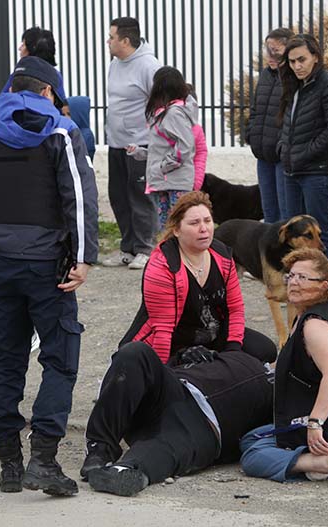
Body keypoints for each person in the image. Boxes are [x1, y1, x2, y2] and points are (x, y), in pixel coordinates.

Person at [0, 56, 98, 496]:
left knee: (7, 360)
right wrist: (84, 258)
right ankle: (44, 460)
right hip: (49, 268)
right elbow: (79, 197)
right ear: (49, 92)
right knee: (60, 357)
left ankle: (9, 465)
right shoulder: (59, 131)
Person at [240, 248, 328, 484]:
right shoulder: (305, 314)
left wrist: (315, 423)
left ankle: (322, 462)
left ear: (323, 286)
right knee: (250, 437)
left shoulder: (315, 325)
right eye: (291, 276)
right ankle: (310, 461)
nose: (294, 283)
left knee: (252, 455)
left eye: (303, 277)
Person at [80, 340, 275, 497]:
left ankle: (126, 470)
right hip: (175, 389)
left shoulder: (288, 396)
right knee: (134, 352)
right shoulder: (243, 352)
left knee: (168, 445)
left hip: (206, 424)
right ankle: (99, 449)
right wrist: (183, 355)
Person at [120, 191, 279, 365]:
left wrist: (233, 352)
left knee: (265, 350)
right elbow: (162, 330)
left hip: (209, 333)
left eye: (207, 221)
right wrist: (165, 370)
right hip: (173, 341)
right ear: (177, 230)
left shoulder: (222, 255)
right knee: (174, 367)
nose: (203, 229)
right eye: (194, 223)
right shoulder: (163, 265)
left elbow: (235, 309)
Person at [277, 34, 328, 265]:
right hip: (291, 171)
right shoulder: (295, 86)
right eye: (292, 61)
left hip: (317, 172)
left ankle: (327, 291)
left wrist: (303, 153)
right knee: (294, 234)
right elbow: (289, 124)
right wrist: (283, 148)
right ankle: (300, 285)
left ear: (315, 57)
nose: (297, 66)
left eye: (302, 59)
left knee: (321, 231)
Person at [103, 16, 161, 270]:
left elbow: (160, 103)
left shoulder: (149, 65)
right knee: (118, 195)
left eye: (112, 37)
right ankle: (127, 247)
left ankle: (145, 247)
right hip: (116, 143)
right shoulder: (115, 64)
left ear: (125, 40)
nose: (108, 41)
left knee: (140, 197)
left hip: (140, 143)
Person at [126, 66, 198, 230]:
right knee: (168, 228)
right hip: (166, 181)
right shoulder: (166, 113)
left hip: (175, 182)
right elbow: (163, 148)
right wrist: (140, 152)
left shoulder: (173, 114)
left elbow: (185, 147)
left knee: (177, 228)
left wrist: (163, 167)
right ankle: (170, 255)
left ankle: (178, 256)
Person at [246, 28, 293, 223]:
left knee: (285, 213)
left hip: (282, 155)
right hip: (263, 154)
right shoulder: (266, 75)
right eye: (268, 50)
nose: (271, 56)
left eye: (276, 51)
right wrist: (251, 134)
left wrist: (284, 144)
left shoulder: (292, 77)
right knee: (269, 212)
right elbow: (256, 108)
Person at [17, 26, 70, 115]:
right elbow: (62, 108)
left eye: (23, 44)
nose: (20, 48)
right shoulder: (55, 75)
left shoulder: (20, 73)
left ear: (32, 49)